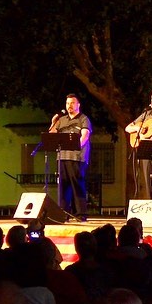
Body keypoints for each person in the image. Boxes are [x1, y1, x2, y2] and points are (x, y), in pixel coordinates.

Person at [49, 93, 92, 221]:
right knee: (63, 186)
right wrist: (53, 123)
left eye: (72, 103)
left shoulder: (83, 119)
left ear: (78, 104)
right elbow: (51, 136)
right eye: (67, 103)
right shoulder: (62, 120)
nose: (69, 106)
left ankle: (80, 214)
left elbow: (85, 136)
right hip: (62, 157)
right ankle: (63, 213)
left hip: (77, 158)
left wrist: (76, 146)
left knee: (77, 184)